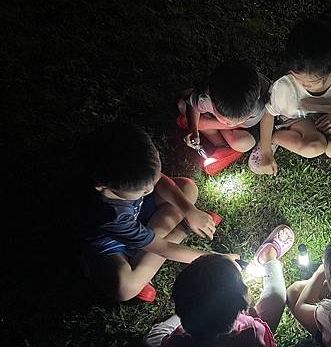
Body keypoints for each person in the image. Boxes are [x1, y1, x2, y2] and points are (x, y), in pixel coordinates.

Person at [142, 225, 294, 347]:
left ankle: (201, 311)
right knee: (277, 296)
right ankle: (269, 259)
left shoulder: (179, 343)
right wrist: (252, 314)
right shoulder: (253, 332)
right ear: (244, 300)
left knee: (152, 341)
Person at [79, 122, 236, 302]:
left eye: (152, 179)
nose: (150, 189)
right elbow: (164, 248)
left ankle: (145, 265)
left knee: (188, 188)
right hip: (111, 245)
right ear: (103, 186)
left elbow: (160, 182)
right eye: (142, 189)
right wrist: (215, 259)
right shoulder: (112, 216)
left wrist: (190, 210)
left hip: (140, 220)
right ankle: (180, 231)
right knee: (125, 288)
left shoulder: (133, 168)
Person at [249, 17, 331, 175]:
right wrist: (265, 151)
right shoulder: (286, 87)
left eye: (312, 83)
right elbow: (269, 113)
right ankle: (275, 138)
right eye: (297, 78)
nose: (304, 85)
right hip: (300, 119)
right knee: (313, 147)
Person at [177, 60, 271, 153]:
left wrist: (204, 124)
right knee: (182, 105)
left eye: (230, 122)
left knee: (243, 143)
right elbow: (192, 105)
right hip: (215, 111)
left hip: (245, 129)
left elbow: (241, 124)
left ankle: (223, 144)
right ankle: (220, 144)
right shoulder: (205, 98)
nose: (231, 124)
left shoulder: (257, 107)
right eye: (228, 121)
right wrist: (193, 130)